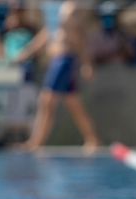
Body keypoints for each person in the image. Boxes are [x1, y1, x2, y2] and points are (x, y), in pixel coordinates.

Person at [16, 0, 100, 153]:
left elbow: (80, 36)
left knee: (47, 100)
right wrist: (27, 52)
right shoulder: (56, 9)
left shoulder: (72, 8)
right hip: (57, 60)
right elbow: (47, 34)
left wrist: (86, 63)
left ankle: (37, 142)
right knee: (73, 103)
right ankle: (92, 138)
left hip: (66, 60)